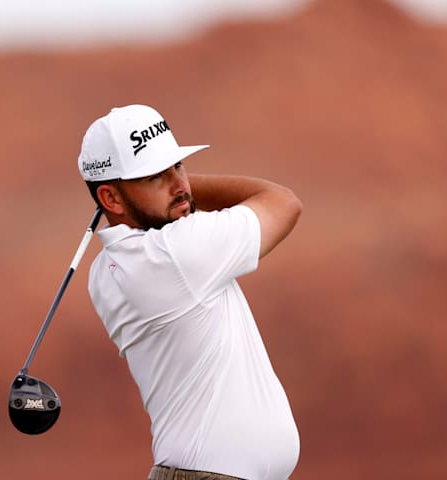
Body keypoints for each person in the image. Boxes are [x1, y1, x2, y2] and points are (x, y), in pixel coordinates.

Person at [77, 104, 302, 480]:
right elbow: (283, 202)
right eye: (154, 176)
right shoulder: (174, 253)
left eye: (178, 166)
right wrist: (187, 189)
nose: (180, 185)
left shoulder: (107, 268)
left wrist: (164, 187)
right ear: (111, 199)